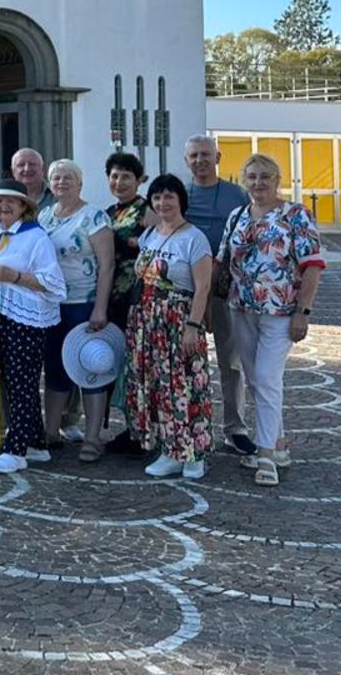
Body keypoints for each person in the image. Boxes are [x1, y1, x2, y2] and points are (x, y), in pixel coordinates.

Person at [219, 153, 325, 486]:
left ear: (277, 180)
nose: (258, 183)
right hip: (242, 309)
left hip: (281, 312)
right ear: (243, 180)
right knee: (256, 379)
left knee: (265, 377)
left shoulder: (296, 215)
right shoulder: (237, 215)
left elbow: (312, 265)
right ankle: (278, 444)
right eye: (251, 176)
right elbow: (223, 260)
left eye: (265, 176)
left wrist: (303, 312)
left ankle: (265, 456)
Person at [126, 173, 215, 480]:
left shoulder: (194, 237)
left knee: (186, 385)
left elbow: (203, 287)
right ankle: (170, 450)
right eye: (157, 197)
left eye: (169, 197)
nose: (163, 203)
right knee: (160, 387)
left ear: (181, 201)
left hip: (178, 319)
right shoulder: (152, 233)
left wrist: (193, 325)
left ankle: (195, 453)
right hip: (148, 320)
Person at [0, 178, 65, 474]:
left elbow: (54, 284)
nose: (3, 206)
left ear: (23, 207)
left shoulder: (36, 238)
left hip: (25, 319)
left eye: (10, 201)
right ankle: (36, 443)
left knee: (23, 381)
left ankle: (15, 448)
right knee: (13, 380)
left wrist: (15, 277)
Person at [183, 134, 255, 457]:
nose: (200, 161)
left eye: (205, 155)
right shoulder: (180, 195)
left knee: (231, 361)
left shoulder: (237, 195)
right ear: (187, 160)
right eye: (194, 156)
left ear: (218, 157)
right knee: (183, 362)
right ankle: (183, 426)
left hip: (227, 289)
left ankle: (235, 428)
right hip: (187, 290)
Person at [38, 158, 114, 461]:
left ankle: (93, 437)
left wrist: (100, 308)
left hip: (84, 305)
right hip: (51, 305)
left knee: (90, 370)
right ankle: (50, 431)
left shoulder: (93, 217)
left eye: (68, 177)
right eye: (56, 178)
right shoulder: (44, 216)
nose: (61, 183)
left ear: (80, 183)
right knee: (55, 370)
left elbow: (107, 266)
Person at [101, 151, 149, 451]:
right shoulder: (109, 212)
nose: (119, 182)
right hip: (112, 298)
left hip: (138, 297)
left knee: (137, 365)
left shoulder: (147, 210)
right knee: (119, 364)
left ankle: (141, 431)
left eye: (126, 176)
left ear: (139, 180)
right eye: (114, 176)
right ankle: (131, 426)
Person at [0, 148, 55, 228]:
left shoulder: (57, 194)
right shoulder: (0, 198)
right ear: (13, 171)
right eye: (21, 165)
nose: (27, 169)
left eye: (32, 164)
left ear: (42, 169)